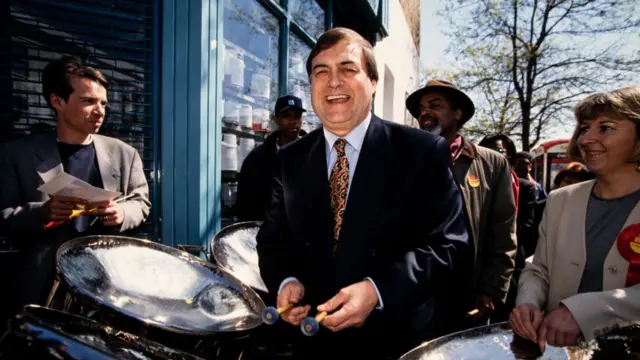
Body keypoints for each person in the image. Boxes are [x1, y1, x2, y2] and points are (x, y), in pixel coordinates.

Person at [256, 27, 470, 359]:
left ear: (372, 81)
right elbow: (272, 240)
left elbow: (449, 244)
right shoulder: (290, 161)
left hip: (395, 341)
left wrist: (378, 290)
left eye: (348, 69)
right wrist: (285, 281)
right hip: (312, 343)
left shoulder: (420, 152)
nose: (334, 81)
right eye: (321, 71)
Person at [0, 56, 150, 313]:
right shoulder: (16, 155)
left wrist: (122, 214)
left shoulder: (124, 153)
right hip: (41, 284)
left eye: (103, 102)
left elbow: (141, 203)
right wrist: (42, 213)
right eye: (88, 101)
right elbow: (3, 215)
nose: (100, 110)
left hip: (109, 283)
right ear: (57, 102)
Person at [510, 87, 640, 350]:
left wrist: (581, 310)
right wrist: (528, 302)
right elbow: (540, 268)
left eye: (605, 128)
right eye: (583, 128)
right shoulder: (560, 200)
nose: (586, 139)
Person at [405, 80, 517, 327]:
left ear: (458, 113)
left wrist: (492, 290)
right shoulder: (403, 159)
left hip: (468, 296)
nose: (426, 112)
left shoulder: (493, 164)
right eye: (422, 108)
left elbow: (503, 232)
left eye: (435, 105)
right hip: (413, 294)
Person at [478, 134, 537, 321]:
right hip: (479, 265)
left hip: (510, 263)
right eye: (486, 150)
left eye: (499, 151)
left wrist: (501, 236)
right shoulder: (476, 183)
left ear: (510, 156)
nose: (492, 155)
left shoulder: (526, 187)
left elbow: (526, 225)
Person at [236, 95, 307, 221]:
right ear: (276, 119)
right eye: (286, 116)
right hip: (266, 235)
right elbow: (245, 203)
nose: (293, 121)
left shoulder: (313, 155)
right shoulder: (257, 158)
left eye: (297, 116)